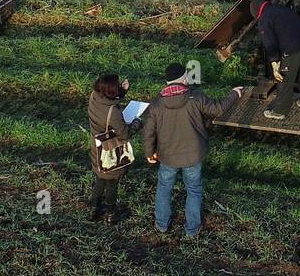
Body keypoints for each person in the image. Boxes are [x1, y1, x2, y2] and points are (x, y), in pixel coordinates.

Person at [142, 63, 245, 240]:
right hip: (193, 154)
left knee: (164, 189)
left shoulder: (156, 103)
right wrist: (234, 93)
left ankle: (161, 225)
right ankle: (191, 230)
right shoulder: (195, 97)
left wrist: (149, 152)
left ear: (168, 82)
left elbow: (148, 132)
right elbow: (218, 109)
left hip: (167, 155)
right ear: (184, 79)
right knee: (194, 190)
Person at [251, 0, 300, 119]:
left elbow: (270, 44)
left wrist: (275, 64)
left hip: (291, 49)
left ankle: (280, 111)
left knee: (284, 79)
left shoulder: (264, 19)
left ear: (255, 11)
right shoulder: (280, 8)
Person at [87, 73, 139, 224]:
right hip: (110, 151)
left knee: (100, 176)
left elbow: (107, 102)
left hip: (96, 146)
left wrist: (122, 91)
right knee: (111, 181)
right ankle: (111, 213)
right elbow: (125, 134)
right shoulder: (114, 112)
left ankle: (93, 209)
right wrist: (137, 123)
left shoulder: (94, 96)